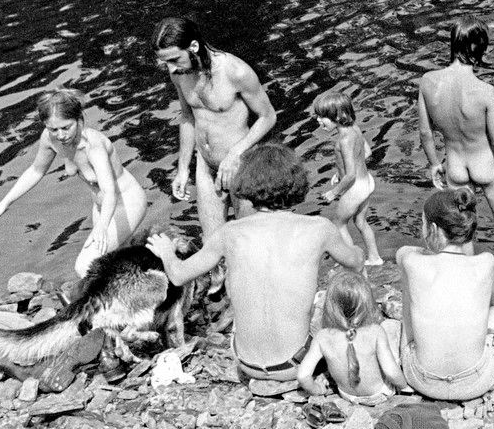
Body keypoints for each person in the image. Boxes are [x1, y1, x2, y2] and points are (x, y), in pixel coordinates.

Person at [147, 143, 364, 385]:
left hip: (246, 363)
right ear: (296, 183)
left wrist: (166, 252)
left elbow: (178, 275)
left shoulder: (229, 232)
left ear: (246, 183)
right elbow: (355, 264)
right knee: (326, 298)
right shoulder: (319, 228)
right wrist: (351, 242)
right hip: (296, 364)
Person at [0, 90, 148, 277]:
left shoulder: (93, 146)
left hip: (125, 202)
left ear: (78, 119)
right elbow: (36, 171)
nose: (61, 135)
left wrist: (102, 227)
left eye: (66, 127)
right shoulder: (50, 139)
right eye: (53, 129)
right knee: (115, 261)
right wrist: (4, 203)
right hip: (100, 206)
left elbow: (109, 191)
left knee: (86, 266)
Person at [394, 189, 494, 402]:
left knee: (411, 302)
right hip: (475, 382)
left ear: (433, 229)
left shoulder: (411, 262)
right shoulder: (486, 262)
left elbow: (402, 251)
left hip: (420, 379)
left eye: (423, 224)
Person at [152, 17, 277, 239]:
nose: (170, 68)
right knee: (212, 244)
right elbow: (187, 117)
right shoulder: (179, 74)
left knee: (250, 241)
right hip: (206, 166)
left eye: (174, 59)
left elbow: (268, 117)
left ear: (193, 46)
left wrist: (234, 154)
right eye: (165, 62)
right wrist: (182, 169)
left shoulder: (235, 71)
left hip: (241, 165)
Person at [417, 20, 494, 276]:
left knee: (462, 229)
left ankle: (469, 278)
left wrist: (434, 164)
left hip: (455, 167)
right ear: (477, 47)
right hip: (484, 165)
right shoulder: (486, 91)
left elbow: (425, 132)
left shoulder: (428, 82)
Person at [296, 271, 404, 405]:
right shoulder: (375, 331)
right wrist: (404, 386)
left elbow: (302, 376)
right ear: (366, 303)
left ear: (330, 305)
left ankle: (328, 376)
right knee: (390, 325)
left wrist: (317, 390)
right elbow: (391, 372)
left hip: (347, 395)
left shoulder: (322, 336)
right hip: (380, 393)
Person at [313, 90, 384, 266]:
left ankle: (353, 263)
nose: (318, 120)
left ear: (337, 116)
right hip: (366, 182)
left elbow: (351, 175)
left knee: (339, 224)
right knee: (360, 222)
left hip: (355, 188)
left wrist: (334, 192)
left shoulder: (344, 140)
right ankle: (374, 258)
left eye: (322, 117)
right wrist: (340, 172)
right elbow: (367, 152)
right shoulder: (355, 129)